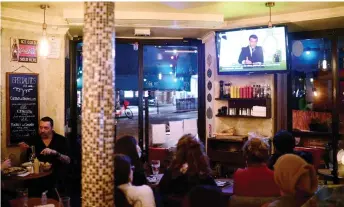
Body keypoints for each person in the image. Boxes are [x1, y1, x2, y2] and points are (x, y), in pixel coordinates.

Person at [159, 134, 216, 206]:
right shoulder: (206, 180)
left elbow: (161, 195)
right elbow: (217, 197)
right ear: (201, 155)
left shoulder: (169, 175)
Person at [18, 117, 70, 195]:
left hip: (56, 180)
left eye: (46, 128)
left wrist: (55, 153)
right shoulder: (33, 139)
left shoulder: (61, 140)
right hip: (36, 180)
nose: (42, 130)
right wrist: (23, 150)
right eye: (41, 127)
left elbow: (68, 160)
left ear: (52, 128)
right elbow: (24, 161)